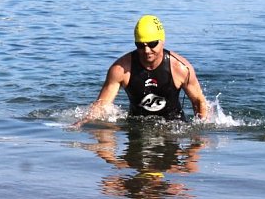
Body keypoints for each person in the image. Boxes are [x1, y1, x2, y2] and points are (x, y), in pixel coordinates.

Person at [74, 15, 209, 126]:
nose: (146, 51)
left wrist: (200, 134)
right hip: (136, 126)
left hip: (174, 127)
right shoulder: (120, 69)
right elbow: (102, 104)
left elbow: (199, 101)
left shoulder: (180, 68)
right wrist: (85, 121)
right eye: (140, 45)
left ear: (162, 40)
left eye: (152, 44)